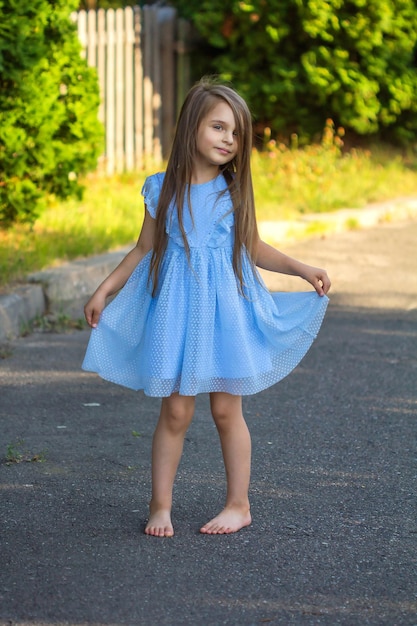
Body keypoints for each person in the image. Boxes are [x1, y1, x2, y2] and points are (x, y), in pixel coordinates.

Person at [82, 78, 331, 538]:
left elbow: (253, 247)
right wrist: (104, 290)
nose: (228, 140)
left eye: (236, 134)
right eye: (218, 127)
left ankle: (239, 504)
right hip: (177, 318)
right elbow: (142, 249)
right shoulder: (160, 190)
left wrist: (300, 267)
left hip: (225, 317)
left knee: (225, 412)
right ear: (191, 126)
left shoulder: (232, 193)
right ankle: (161, 506)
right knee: (175, 413)